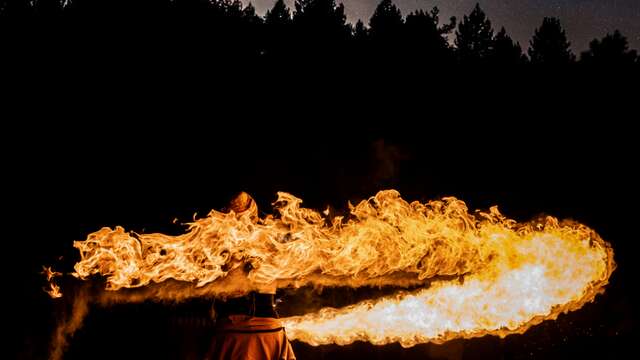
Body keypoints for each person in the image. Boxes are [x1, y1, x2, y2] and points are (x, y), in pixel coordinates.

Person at [204, 192, 296, 360]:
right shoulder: (271, 241)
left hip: (232, 333)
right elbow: (289, 282)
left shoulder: (214, 244)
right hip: (267, 332)